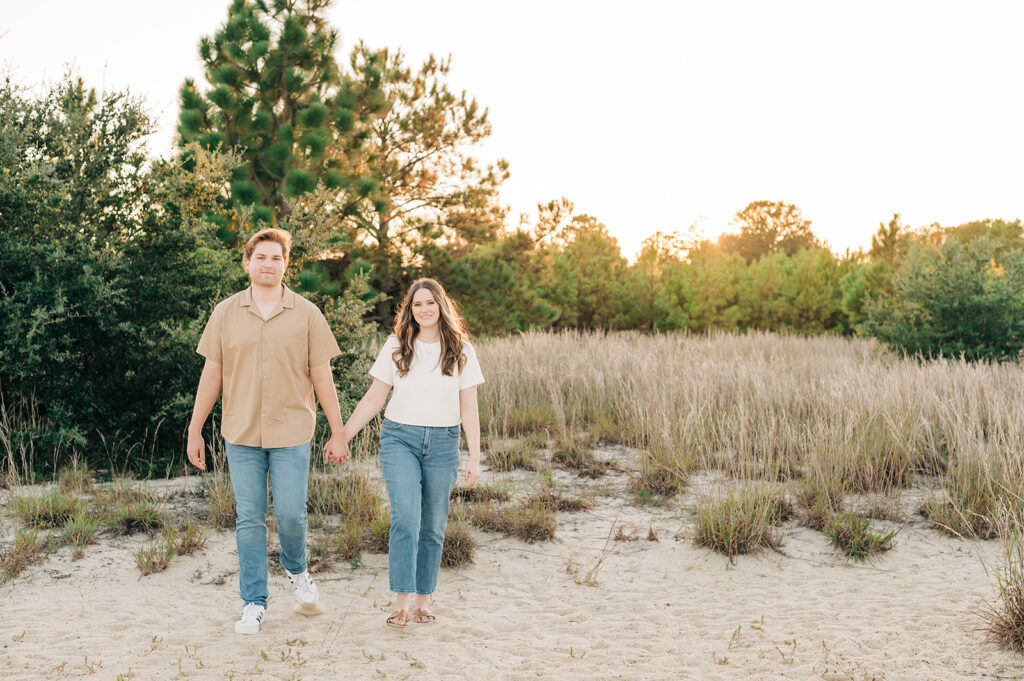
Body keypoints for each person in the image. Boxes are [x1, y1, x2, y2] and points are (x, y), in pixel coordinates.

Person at [186, 228, 351, 635]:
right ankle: (253, 602)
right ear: (247, 262)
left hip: (293, 431)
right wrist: (194, 430)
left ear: (285, 264)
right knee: (249, 519)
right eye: (260, 257)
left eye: (276, 258)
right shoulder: (225, 312)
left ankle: (297, 569)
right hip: (240, 433)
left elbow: (322, 376)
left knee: (293, 515)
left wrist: (339, 432)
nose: (267, 264)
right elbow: (213, 374)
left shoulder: (307, 313)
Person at [342, 278, 484, 628]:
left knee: (433, 525)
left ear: (441, 306)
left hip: (444, 443)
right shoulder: (396, 345)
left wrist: (475, 456)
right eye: (416, 304)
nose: (423, 309)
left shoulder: (462, 350)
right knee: (406, 518)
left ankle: (424, 601)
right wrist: (342, 436)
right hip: (399, 439)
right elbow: (375, 398)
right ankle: (401, 603)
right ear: (409, 309)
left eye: (430, 303)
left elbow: (469, 408)